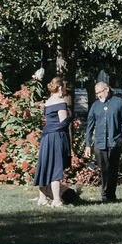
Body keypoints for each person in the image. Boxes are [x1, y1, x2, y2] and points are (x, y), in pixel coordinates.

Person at [84, 75, 122, 204]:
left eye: (99, 92)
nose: (98, 95)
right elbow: (89, 126)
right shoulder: (95, 106)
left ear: (106, 90)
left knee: (113, 169)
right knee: (103, 170)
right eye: (96, 93)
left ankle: (111, 195)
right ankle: (104, 194)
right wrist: (88, 144)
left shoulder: (118, 102)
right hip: (100, 142)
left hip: (115, 142)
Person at [33, 77, 72, 207]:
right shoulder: (61, 102)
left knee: (45, 165)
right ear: (60, 88)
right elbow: (62, 123)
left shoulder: (48, 102)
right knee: (56, 166)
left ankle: (42, 198)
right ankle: (56, 199)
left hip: (46, 137)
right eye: (64, 88)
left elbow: (49, 121)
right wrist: (70, 117)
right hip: (56, 137)